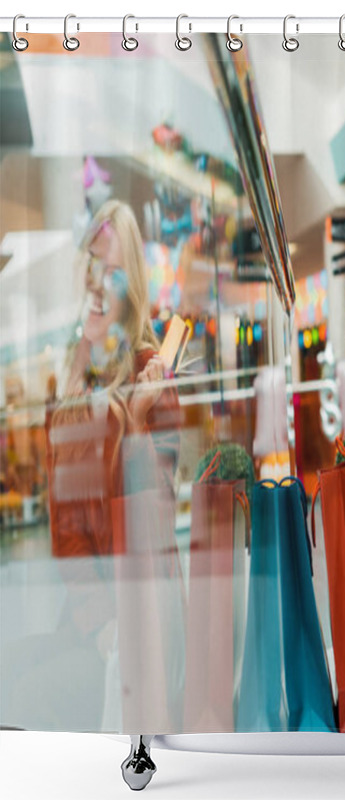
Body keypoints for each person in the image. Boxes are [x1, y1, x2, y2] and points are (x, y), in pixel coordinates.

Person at [1, 200, 182, 732]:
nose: (101, 283)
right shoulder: (74, 378)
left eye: (115, 272)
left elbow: (156, 518)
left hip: (142, 616)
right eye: (94, 268)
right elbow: (65, 521)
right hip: (93, 617)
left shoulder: (150, 370)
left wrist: (137, 425)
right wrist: (94, 618)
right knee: (9, 676)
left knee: (30, 695)